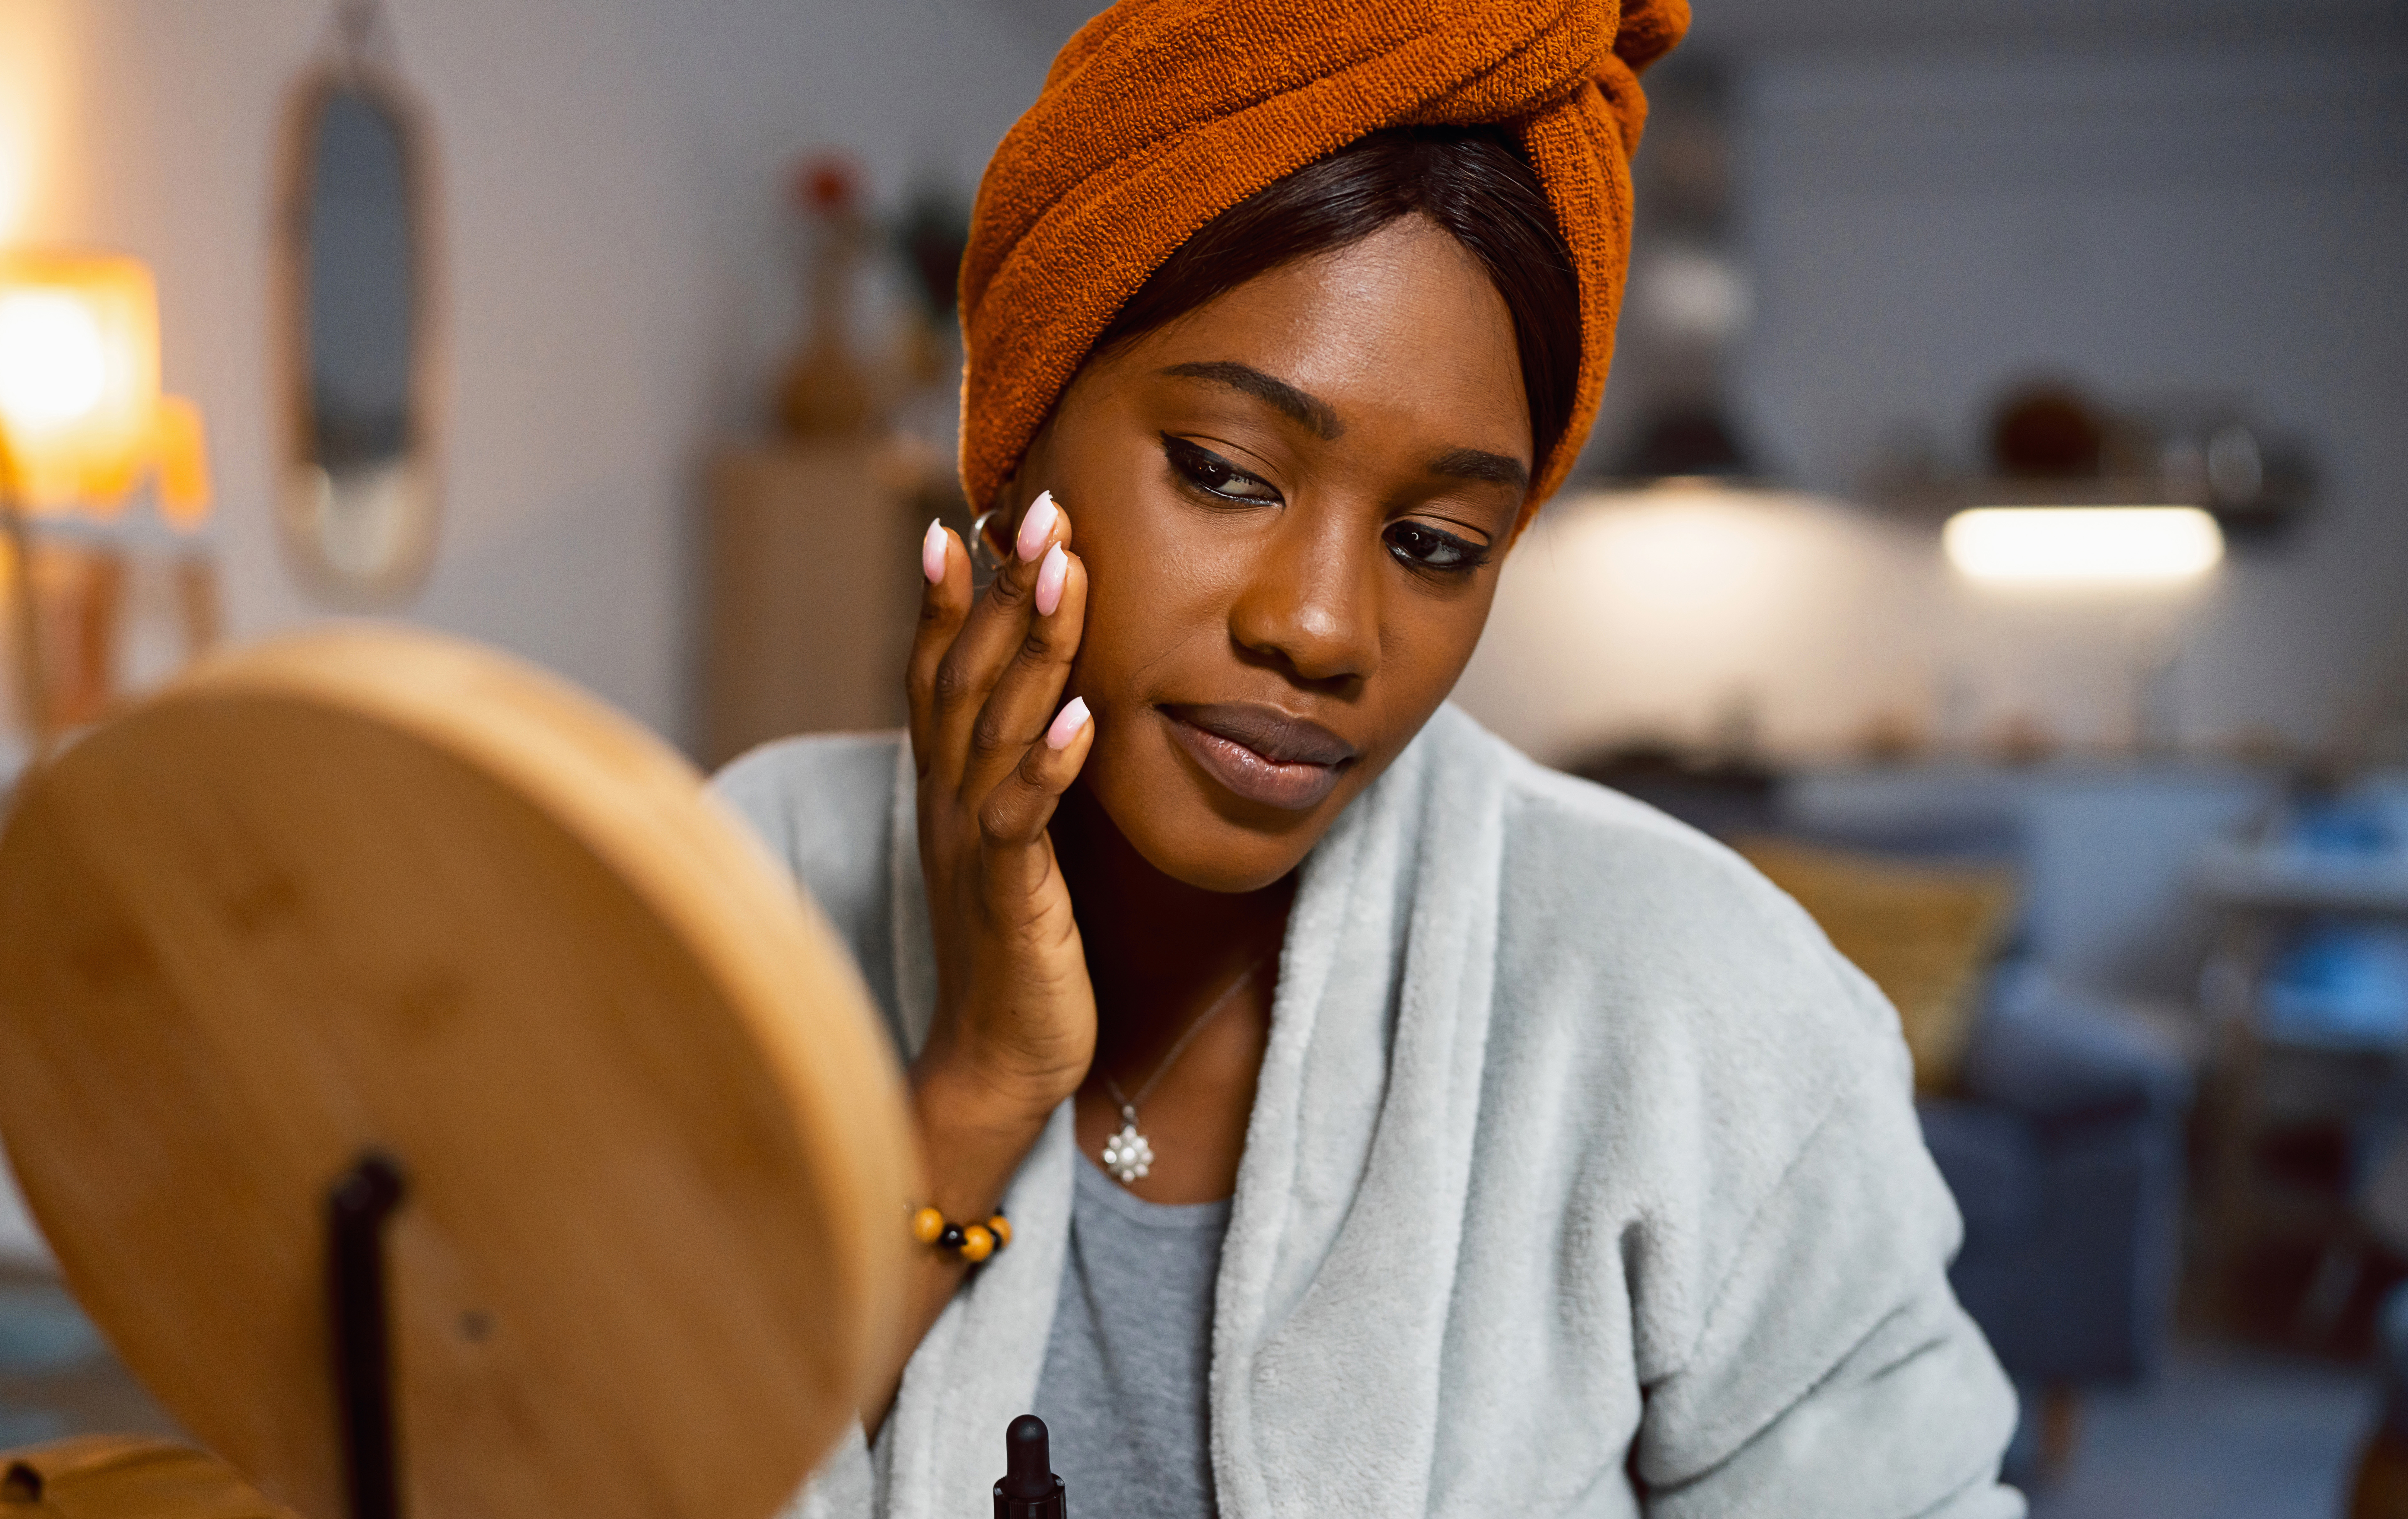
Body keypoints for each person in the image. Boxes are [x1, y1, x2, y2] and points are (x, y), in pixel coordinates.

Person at [715, 2, 2023, 1515]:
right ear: (1016, 436)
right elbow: (594, 1464)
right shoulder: (744, 894)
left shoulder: (1690, 1002)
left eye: (1436, 543)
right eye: (1222, 473)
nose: (1326, 628)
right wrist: (976, 1090)